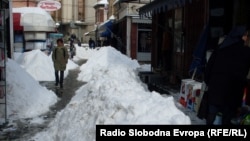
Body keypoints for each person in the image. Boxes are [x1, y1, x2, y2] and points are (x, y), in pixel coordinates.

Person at [201, 26, 250, 125]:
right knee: (227, 119)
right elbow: (244, 74)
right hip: (232, 93)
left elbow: (209, 68)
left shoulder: (221, 47)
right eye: (246, 35)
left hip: (215, 90)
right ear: (242, 36)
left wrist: (208, 82)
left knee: (211, 117)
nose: (246, 38)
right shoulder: (246, 51)